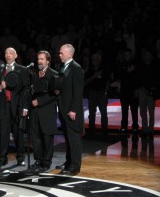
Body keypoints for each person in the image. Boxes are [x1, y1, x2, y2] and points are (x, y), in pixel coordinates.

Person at [0, 47, 29, 169]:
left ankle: (20, 158)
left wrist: (25, 107)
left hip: (17, 106)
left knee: (18, 132)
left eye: (11, 53)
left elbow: (25, 89)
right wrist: (0, 88)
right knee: (3, 133)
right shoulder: (0, 69)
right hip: (3, 106)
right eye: (6, 53)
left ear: (16, 55)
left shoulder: (22, 70)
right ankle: (2, 159)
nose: (8, 55)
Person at [55, 44, 84, 176]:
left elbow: (78, 92)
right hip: (63, 109)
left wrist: (73, 110)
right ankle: (68, 162)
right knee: (68, 138)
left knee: (74, 140)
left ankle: (75, 166)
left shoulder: (76, 68)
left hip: (71, 111)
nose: (59, 55)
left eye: (62, 53)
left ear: (69, 54)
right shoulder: (62, 67)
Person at [29, 50, 59, 172]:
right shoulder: (34, 73)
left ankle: (46, 162)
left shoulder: (54, 74)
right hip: (35, 110)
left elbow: (54, 95)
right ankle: (38, 160)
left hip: (47, 110)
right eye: (38, 59)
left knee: (47, 137)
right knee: (36, 137)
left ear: (48, 61)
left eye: (42, 59)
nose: (39, 61)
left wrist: (39, 101)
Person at [84, 52, 111, 135]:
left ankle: (104, 130)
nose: (94, 61)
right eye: (93, 59)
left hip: (102, 93)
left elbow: (108, 81)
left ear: (99, 60)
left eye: (96, 59)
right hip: (92, 93)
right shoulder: (90, 70)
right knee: (92, 113)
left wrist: (106, 92)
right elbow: (85, 82)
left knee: (103, 112)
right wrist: (94, 76)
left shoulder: (104, 69)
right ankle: (92, 130)